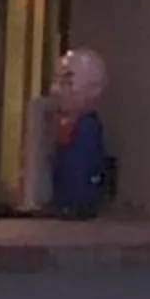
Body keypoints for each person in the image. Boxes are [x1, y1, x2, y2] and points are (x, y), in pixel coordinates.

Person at [41, 47, 110, 221]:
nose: (55, 90)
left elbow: (84, 169)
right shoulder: (68, 124)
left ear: (93, 89)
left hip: (77, 207)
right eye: (57, 81)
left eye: (67, 83)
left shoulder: (87, 128)